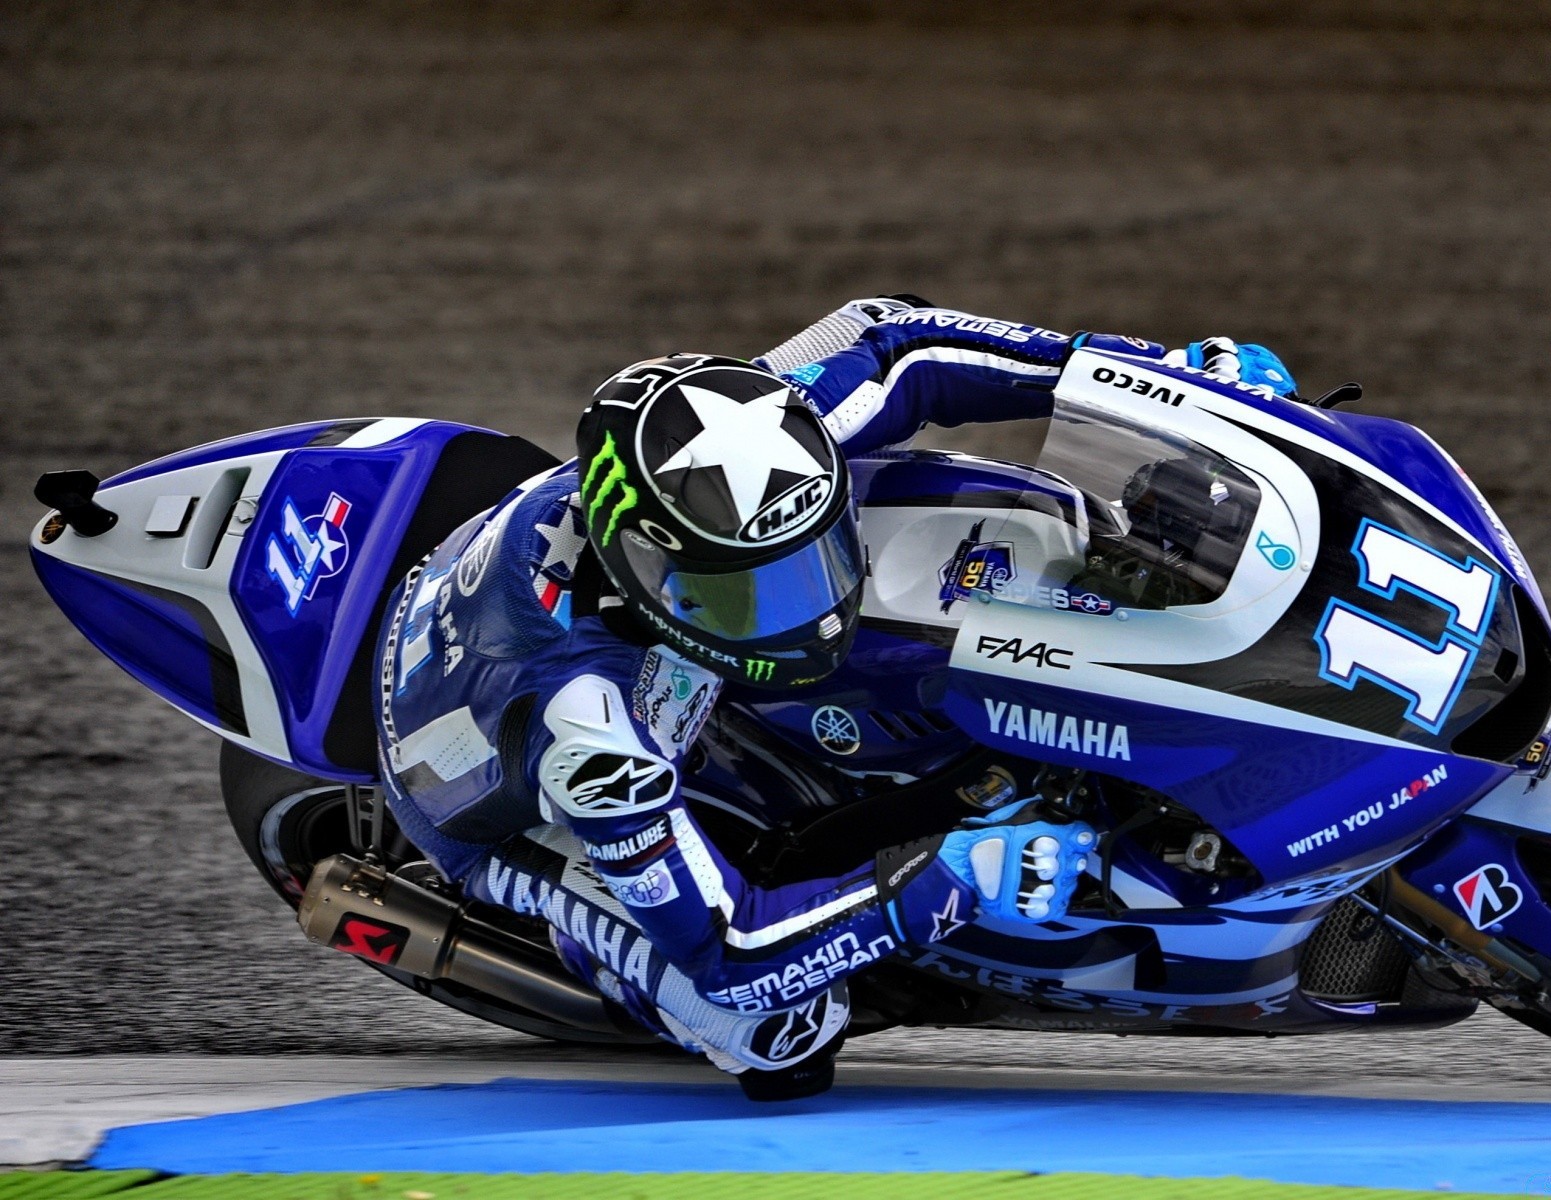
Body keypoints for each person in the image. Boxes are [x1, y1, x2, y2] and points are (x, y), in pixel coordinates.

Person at [374, 296, 1300, 1099]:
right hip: (488, 800)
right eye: (752, 591)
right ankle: (591, 954)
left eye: (809, 563)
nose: (808, 614)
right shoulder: (593, 731)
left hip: (553, 614)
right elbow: (732, 955)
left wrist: (1157, 375)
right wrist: (951, 880)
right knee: (781, 1034)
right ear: (646, 564)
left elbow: (892, 335)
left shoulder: (747, 431)